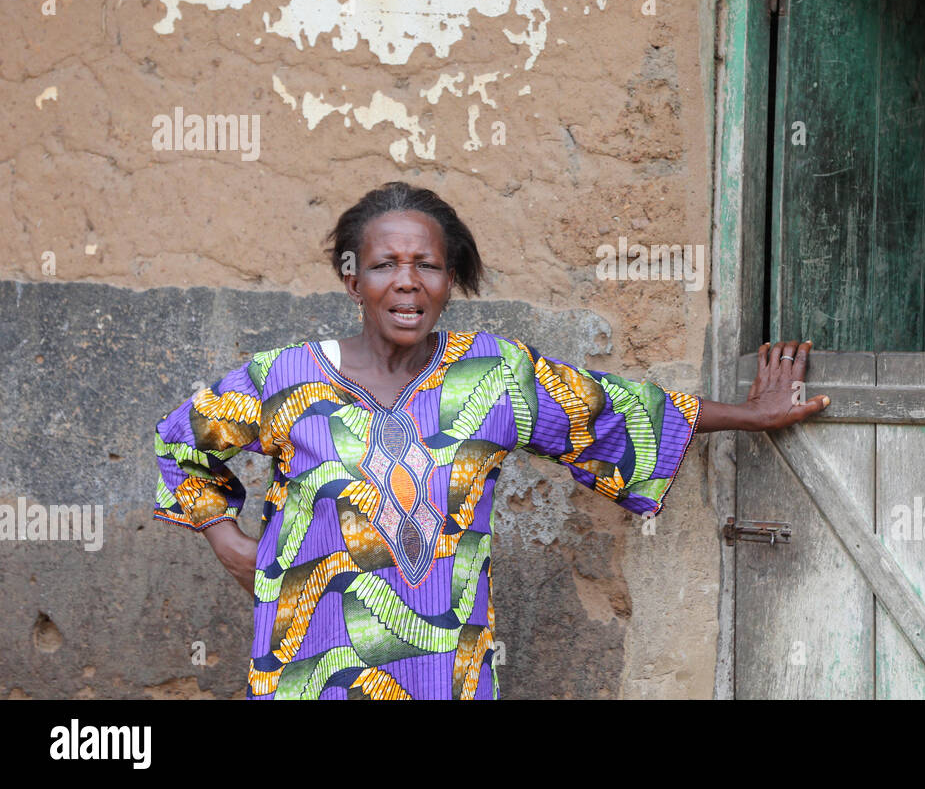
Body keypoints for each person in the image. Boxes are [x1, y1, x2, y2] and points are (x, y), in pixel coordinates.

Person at [152, 181, 830, 699]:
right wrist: (228, 539)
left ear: (451, 280)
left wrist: (750, 415)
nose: (408, 281)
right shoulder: (283, 380)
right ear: (352, 278)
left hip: (445, 669)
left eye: (429, 265)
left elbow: (612, 412)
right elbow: (181, 444)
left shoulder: (494, 375)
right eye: (386, 264)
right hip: (307, 667)